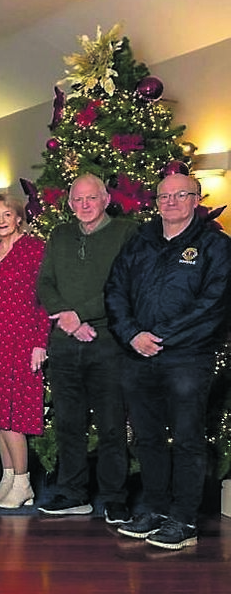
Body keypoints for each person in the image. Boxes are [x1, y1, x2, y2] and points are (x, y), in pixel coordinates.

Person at [106, 171, 231, 549]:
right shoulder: (139, 241)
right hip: (138, 354)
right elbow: (115, 290)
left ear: (196, 200)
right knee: (147, 437)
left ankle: (184, 519)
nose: (171, 202)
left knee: (189, 438)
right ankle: (156, 508)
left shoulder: (215, 246)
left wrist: (162, 338)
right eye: (164, 196)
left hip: (188, 358)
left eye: (180, 195)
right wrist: (131, 335)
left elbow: (214, 303)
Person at [35, 174, 138, 522]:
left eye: (90, 198)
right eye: (76, 200)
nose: (84, 205)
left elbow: (123, 286)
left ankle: (114, 496)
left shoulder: (126, 232)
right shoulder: (60, 235)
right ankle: (73, 492)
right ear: (69, 203)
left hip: (107, 345)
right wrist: (68, 319)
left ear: (105, 199)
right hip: (64, 345)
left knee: (111, 425)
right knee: (68, 423)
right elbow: (44, 283)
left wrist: (80, 315)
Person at [0, 193, 49, 510]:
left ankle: (23, 482)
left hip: (22, 341)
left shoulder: (35, 250)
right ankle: (8, 478)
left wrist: (40, 342)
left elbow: (44, 300)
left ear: (19, 217)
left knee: (14, 417)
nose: (0, 221)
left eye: (7, 214)